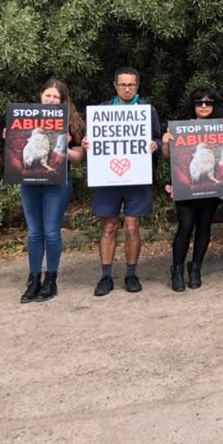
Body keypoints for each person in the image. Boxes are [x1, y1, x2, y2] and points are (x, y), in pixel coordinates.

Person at [86, 67, 161, 297]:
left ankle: (131, 274)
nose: (127, 88)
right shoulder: (103, 110)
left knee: (132, 227)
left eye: (131, 85)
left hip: (137, 177)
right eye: (123, 85)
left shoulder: (147, 110)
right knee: (108, 226)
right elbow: (91, 140)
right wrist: (88, 143)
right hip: (107, 178)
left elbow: (158, 137)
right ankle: (106, 276)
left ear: (137, 86)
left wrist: (155, 145)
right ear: (115, 86)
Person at [162, 87, 223, 291]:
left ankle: (195, 268)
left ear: (214, 105)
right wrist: (165, 142)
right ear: (193, 105)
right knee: (185, 226)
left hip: (211, 190)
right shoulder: (181, 127)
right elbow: (168, 156)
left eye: (209, 102)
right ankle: (177, 269)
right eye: (199, 102)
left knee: (204, 225)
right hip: (187, 188)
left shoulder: (222, 128)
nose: (204, 106)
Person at [15, 79, 85, 303]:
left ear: (63, 101)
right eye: (48, 95)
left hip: (57, 183)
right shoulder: (25, 119)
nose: (51, 100)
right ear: (41, 96)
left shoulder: (71, 123)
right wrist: (10, 138)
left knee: (52, 232)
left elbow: (79, 158)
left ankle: (50, 280)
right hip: (30, 182)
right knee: (34, 232)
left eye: (56, 97)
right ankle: (34, 278)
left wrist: (64, 149)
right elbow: (17, 151)